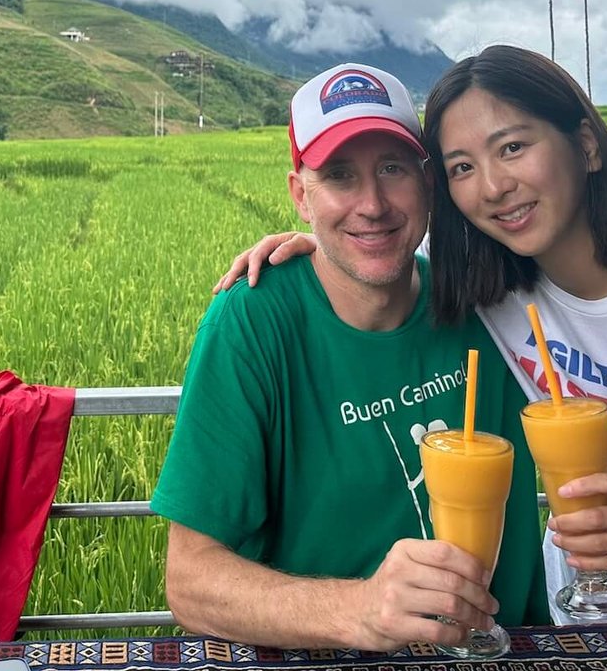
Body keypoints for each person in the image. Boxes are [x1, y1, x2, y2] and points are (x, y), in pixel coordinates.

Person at [225, 47, 607, 671]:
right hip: (597, 614)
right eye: (462, 167)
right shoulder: (499, 291)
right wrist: (327, 247)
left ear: (585, 145)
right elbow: (383, 260)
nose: (495, 187)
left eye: (513, 148)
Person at [150, 62, 549, 652]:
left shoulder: (488, 296)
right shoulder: (255, 321)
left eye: (392, 169)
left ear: (429, 184)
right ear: (300, 197)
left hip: (501, 648)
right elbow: (190, 581)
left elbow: (591, 258)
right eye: (339, 176)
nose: (373, 204)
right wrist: (358, 610)